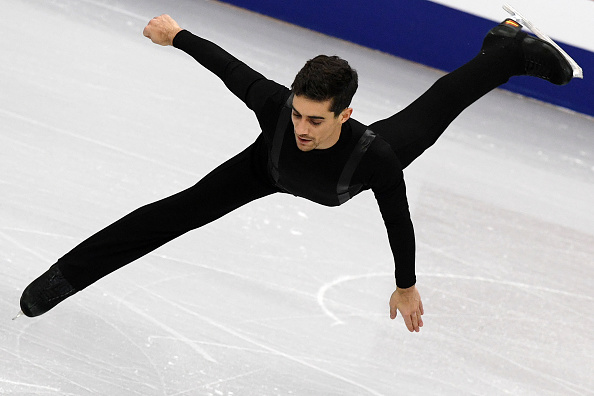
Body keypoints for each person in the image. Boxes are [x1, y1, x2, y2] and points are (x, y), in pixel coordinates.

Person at [19, 14, 576, 332]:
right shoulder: (276, 110)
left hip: (345, 176)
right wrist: (176, 35)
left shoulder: (374, 156)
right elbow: (228, 67)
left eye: (315, 119)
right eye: (297, 113)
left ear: (344, 114)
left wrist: (406, 285)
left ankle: (505, 50)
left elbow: (398, 222)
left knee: (436, 110)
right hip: (265, 169)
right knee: (176, 212)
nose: (303, 126)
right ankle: (65, 277)